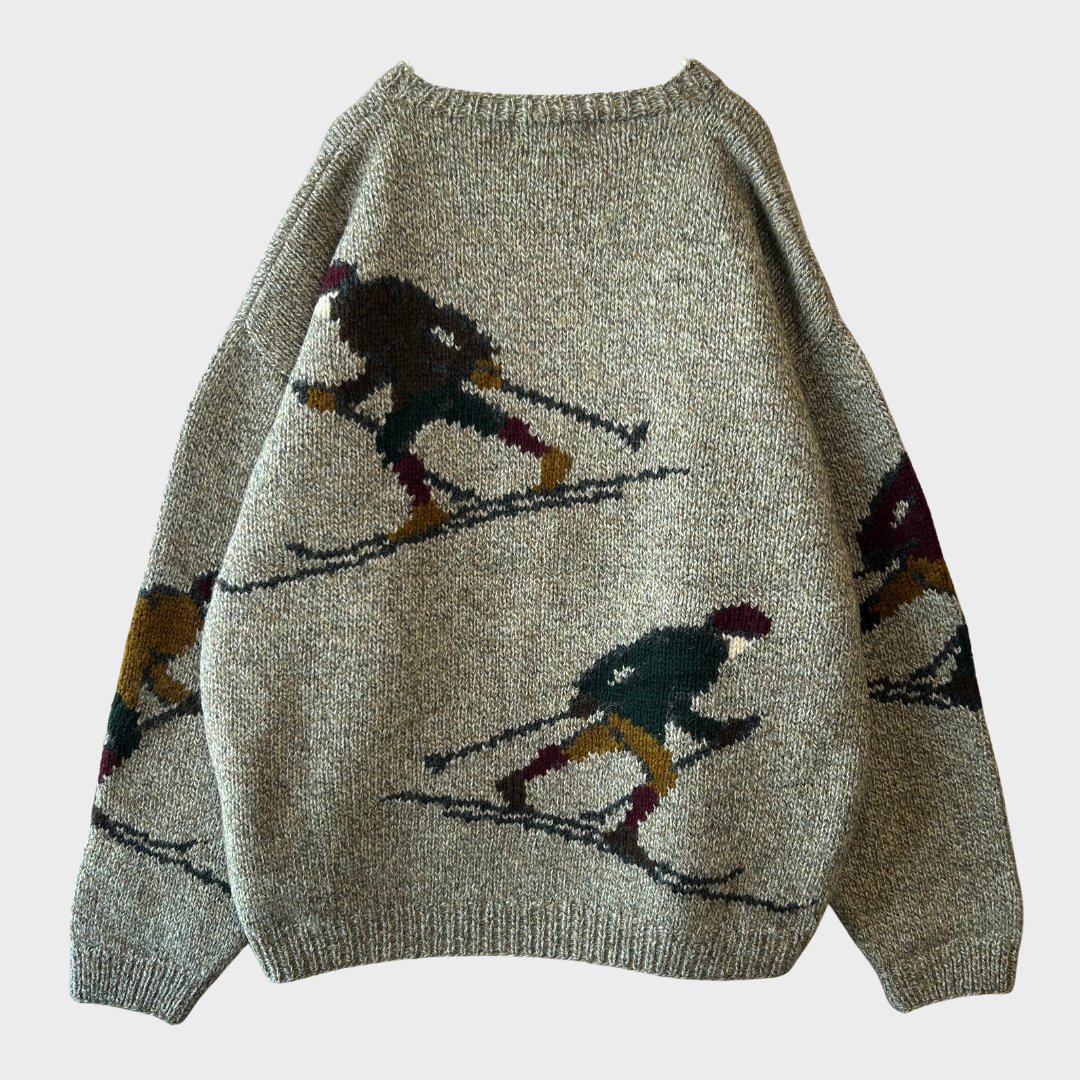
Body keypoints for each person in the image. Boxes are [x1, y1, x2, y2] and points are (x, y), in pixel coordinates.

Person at [299, 265, 573, 541]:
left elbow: (379, 371)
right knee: (483, 418)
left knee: (393, 441)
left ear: (340, 296)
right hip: (436, 374)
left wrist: (479, 357)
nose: (333, 312)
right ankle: (548, 456)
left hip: (420, 385)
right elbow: (439, 318)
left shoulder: (366, 316)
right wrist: (478, 356)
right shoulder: (383, 299)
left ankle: (426, 507)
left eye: (332, 304)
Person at [496, 603, 772, 868]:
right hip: (644, 719)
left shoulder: (675, 637)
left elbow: (626, 655)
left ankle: (518, 779)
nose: (744, 649)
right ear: (734, 636)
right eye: (747, 641)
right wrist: (716, 732)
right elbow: (678, 710)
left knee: (577, 747)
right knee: (662, 775)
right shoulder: (706, 659)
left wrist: (592, 689)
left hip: (623, 706)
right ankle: (626, 831)